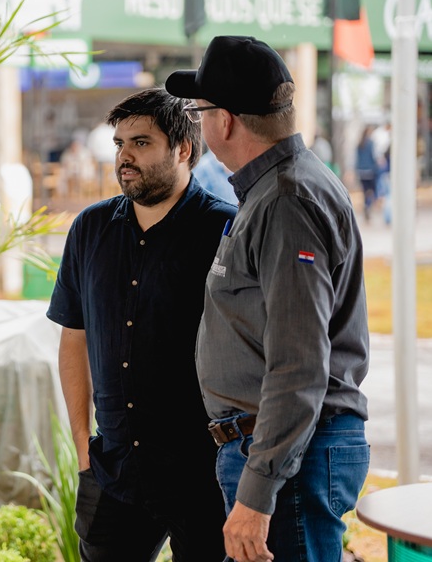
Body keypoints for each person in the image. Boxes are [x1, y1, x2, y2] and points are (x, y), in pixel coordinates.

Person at [166, 36, 370, 562]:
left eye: (200, 110)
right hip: (282, 452)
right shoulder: (274, 191)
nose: (199, 122)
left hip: (286, 458)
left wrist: (257, 496)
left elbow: (299, 365)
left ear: (226, 122)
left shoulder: (285, 202)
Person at [47, 87, 236, 561]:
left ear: (184, 149)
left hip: (202, 473)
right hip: (113, 471)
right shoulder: (89, 229)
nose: (125, 156)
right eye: (120, 144)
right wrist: (80, 444)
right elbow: (73, 338)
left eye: (141, 143)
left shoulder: (227, 230)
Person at [355, 125, 380, 221]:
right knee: (372, 190)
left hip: (361, 171)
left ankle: (366, 205)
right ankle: (369, 205)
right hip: (370, 170)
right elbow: (374, 156)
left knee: (365, 191)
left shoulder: (359, 144)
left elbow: (356, 158)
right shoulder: (371, 143)